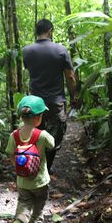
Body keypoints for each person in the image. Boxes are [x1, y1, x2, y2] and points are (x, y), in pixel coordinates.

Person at [22, 19, 78, 172]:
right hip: (55, 102)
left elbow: (30, 73)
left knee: (36, 134)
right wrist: (74, 97)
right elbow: (70, 77)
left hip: (35, 103)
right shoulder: (60, 50)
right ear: (50, 31)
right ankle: (45, 166)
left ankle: (36, 165)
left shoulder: (27, 51)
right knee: (55, 137)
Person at [5, 95, 55, 223]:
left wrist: (18, 166)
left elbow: (10, 154)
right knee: (40, 201)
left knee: (24, 202)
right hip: (40, 180)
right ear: (39, 118)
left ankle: (19, 222)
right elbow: (52, 145)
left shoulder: (14, 136)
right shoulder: (42, 135)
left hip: (23, 181)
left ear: (21, 116)